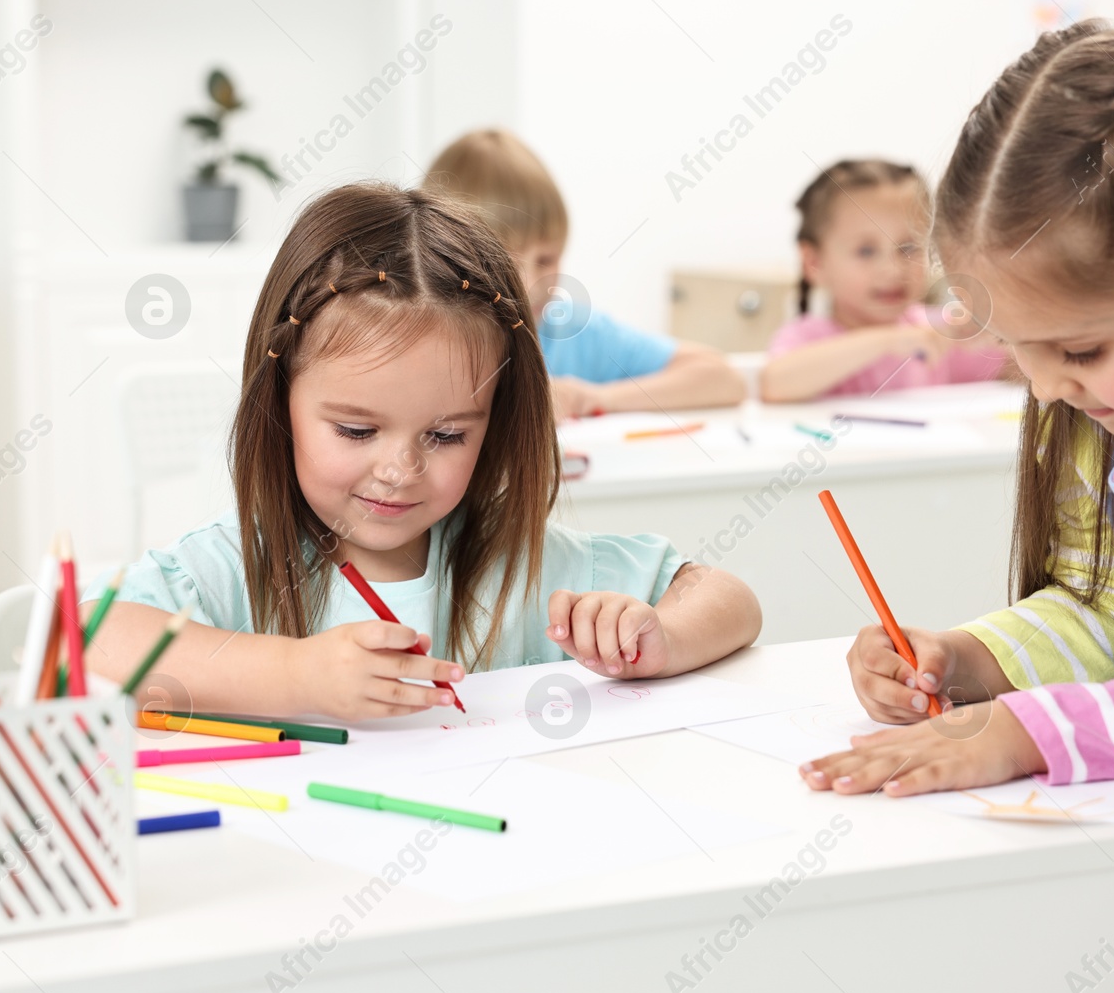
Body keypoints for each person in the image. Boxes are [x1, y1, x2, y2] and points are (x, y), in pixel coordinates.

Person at [87, 183, 760, 720]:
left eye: (445, 435)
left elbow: (729, 599)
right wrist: (295, 676)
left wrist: (659, 637)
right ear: (280, 400)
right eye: (356, 431)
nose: (399, 469)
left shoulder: (523, 568)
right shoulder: (238, 567)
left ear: (494, 426)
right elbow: (95, 634)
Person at [801, 21, 1114, 796]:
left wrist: (1034, 730)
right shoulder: (1100, 417)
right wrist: (965, 662)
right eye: (1014, 348)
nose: (1044, 388)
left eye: (1079, 349)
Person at [424, 129, 744, 419]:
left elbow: (723, 379)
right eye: (505, 262)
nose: (532, 284)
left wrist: (591, 397)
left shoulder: (574, 331)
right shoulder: (419, 343)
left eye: (547, 259)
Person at [760, 159, 1007, 402]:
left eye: (908, 247)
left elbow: (1018, 371)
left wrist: (997, 335)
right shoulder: (808, 337)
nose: (893, 270)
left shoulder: (933, 331)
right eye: (866, 251)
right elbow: (774, 383)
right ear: (814, 263)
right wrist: (888, 340)